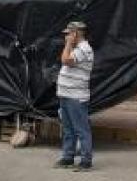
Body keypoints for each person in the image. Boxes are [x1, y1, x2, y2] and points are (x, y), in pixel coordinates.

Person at [55, 21, 95, 172]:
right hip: (66, 95)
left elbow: (65, 60)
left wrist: (68, 45)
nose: (66, 36)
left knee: (81, 129)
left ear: (76, 34)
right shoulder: (76, 48)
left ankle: (86, 160)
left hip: (76, 97)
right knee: (68, 129)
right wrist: (70, 45)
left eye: (68, 34)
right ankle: (68, 157)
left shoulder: (84, 49)